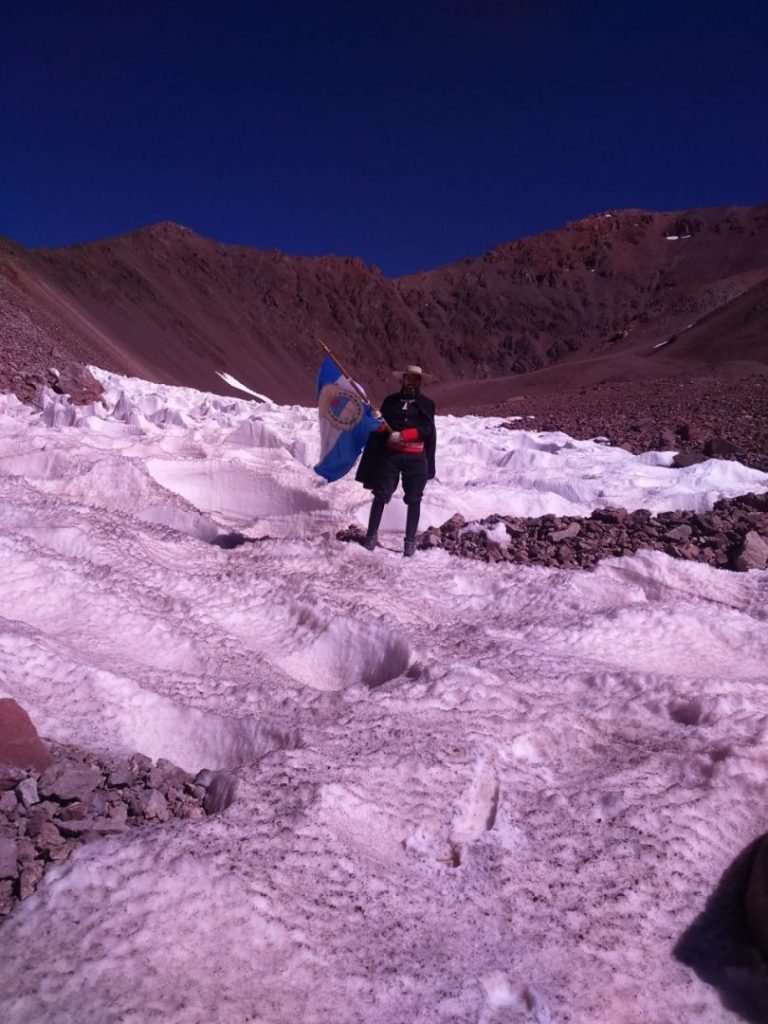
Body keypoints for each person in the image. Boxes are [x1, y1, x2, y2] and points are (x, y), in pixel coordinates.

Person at [356, 365, 436, 557]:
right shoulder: (390, 402)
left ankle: (409, 542)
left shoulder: (427, 404)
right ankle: (371, 536)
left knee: (414, 498)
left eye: (415, 380)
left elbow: (427, 430)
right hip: (391, 456)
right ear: (403, 380)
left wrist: (404, 435)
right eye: (408, 379)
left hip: (416, 458)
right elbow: (384, 428)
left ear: (420, 382)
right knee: (381, 494)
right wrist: (379, 422)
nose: (411, 383)